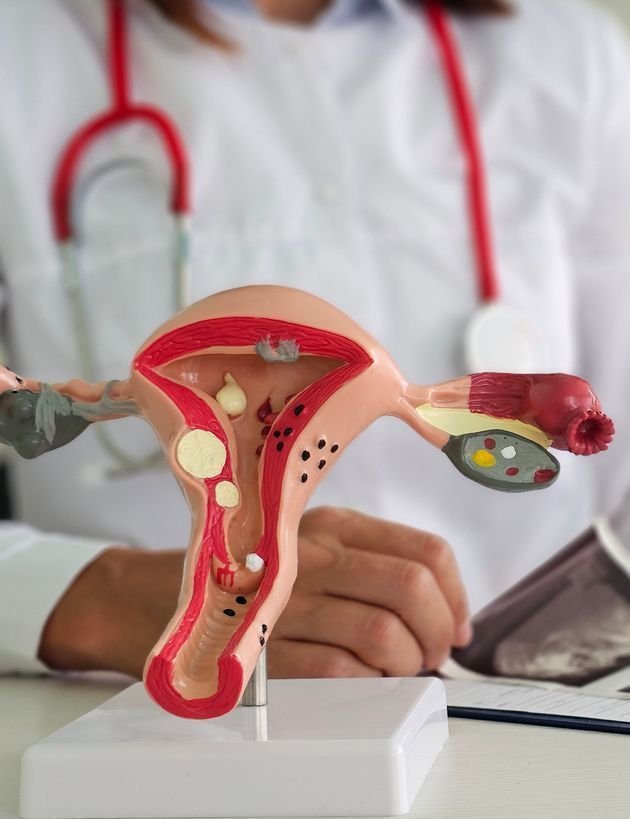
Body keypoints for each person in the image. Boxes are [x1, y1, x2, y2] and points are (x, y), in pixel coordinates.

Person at [0, 0, 629, 684]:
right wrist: (99, 596)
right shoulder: (23, 52)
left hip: (532, 721)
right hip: (153, 719)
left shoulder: (567, 52)